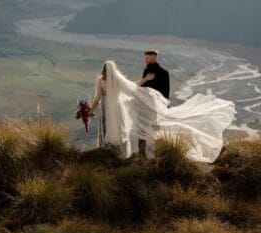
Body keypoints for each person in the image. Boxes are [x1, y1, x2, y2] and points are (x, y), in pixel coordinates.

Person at [89, 59, 235, 163]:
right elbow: (134, 87)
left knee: (107, 128)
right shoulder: (119, 81)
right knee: (120, 131)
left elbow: (97, 99)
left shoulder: (100, 81)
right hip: (119, 111)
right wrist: (145, 80)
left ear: (103, 70)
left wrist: (89, 111)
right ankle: (120, 155)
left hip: (107, 111)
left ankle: (106, 154)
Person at [136, 49, 169, 156]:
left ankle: (142, 155)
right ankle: (158, 153)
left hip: (148, 106)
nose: (145, 60)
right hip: (156, 106)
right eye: (145, 58)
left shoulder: (151, 72)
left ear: (154, 57)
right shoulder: (164, 72)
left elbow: (142, 89)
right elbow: (166, 93)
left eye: (147, 58)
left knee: (143, 129)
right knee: (156, 129)